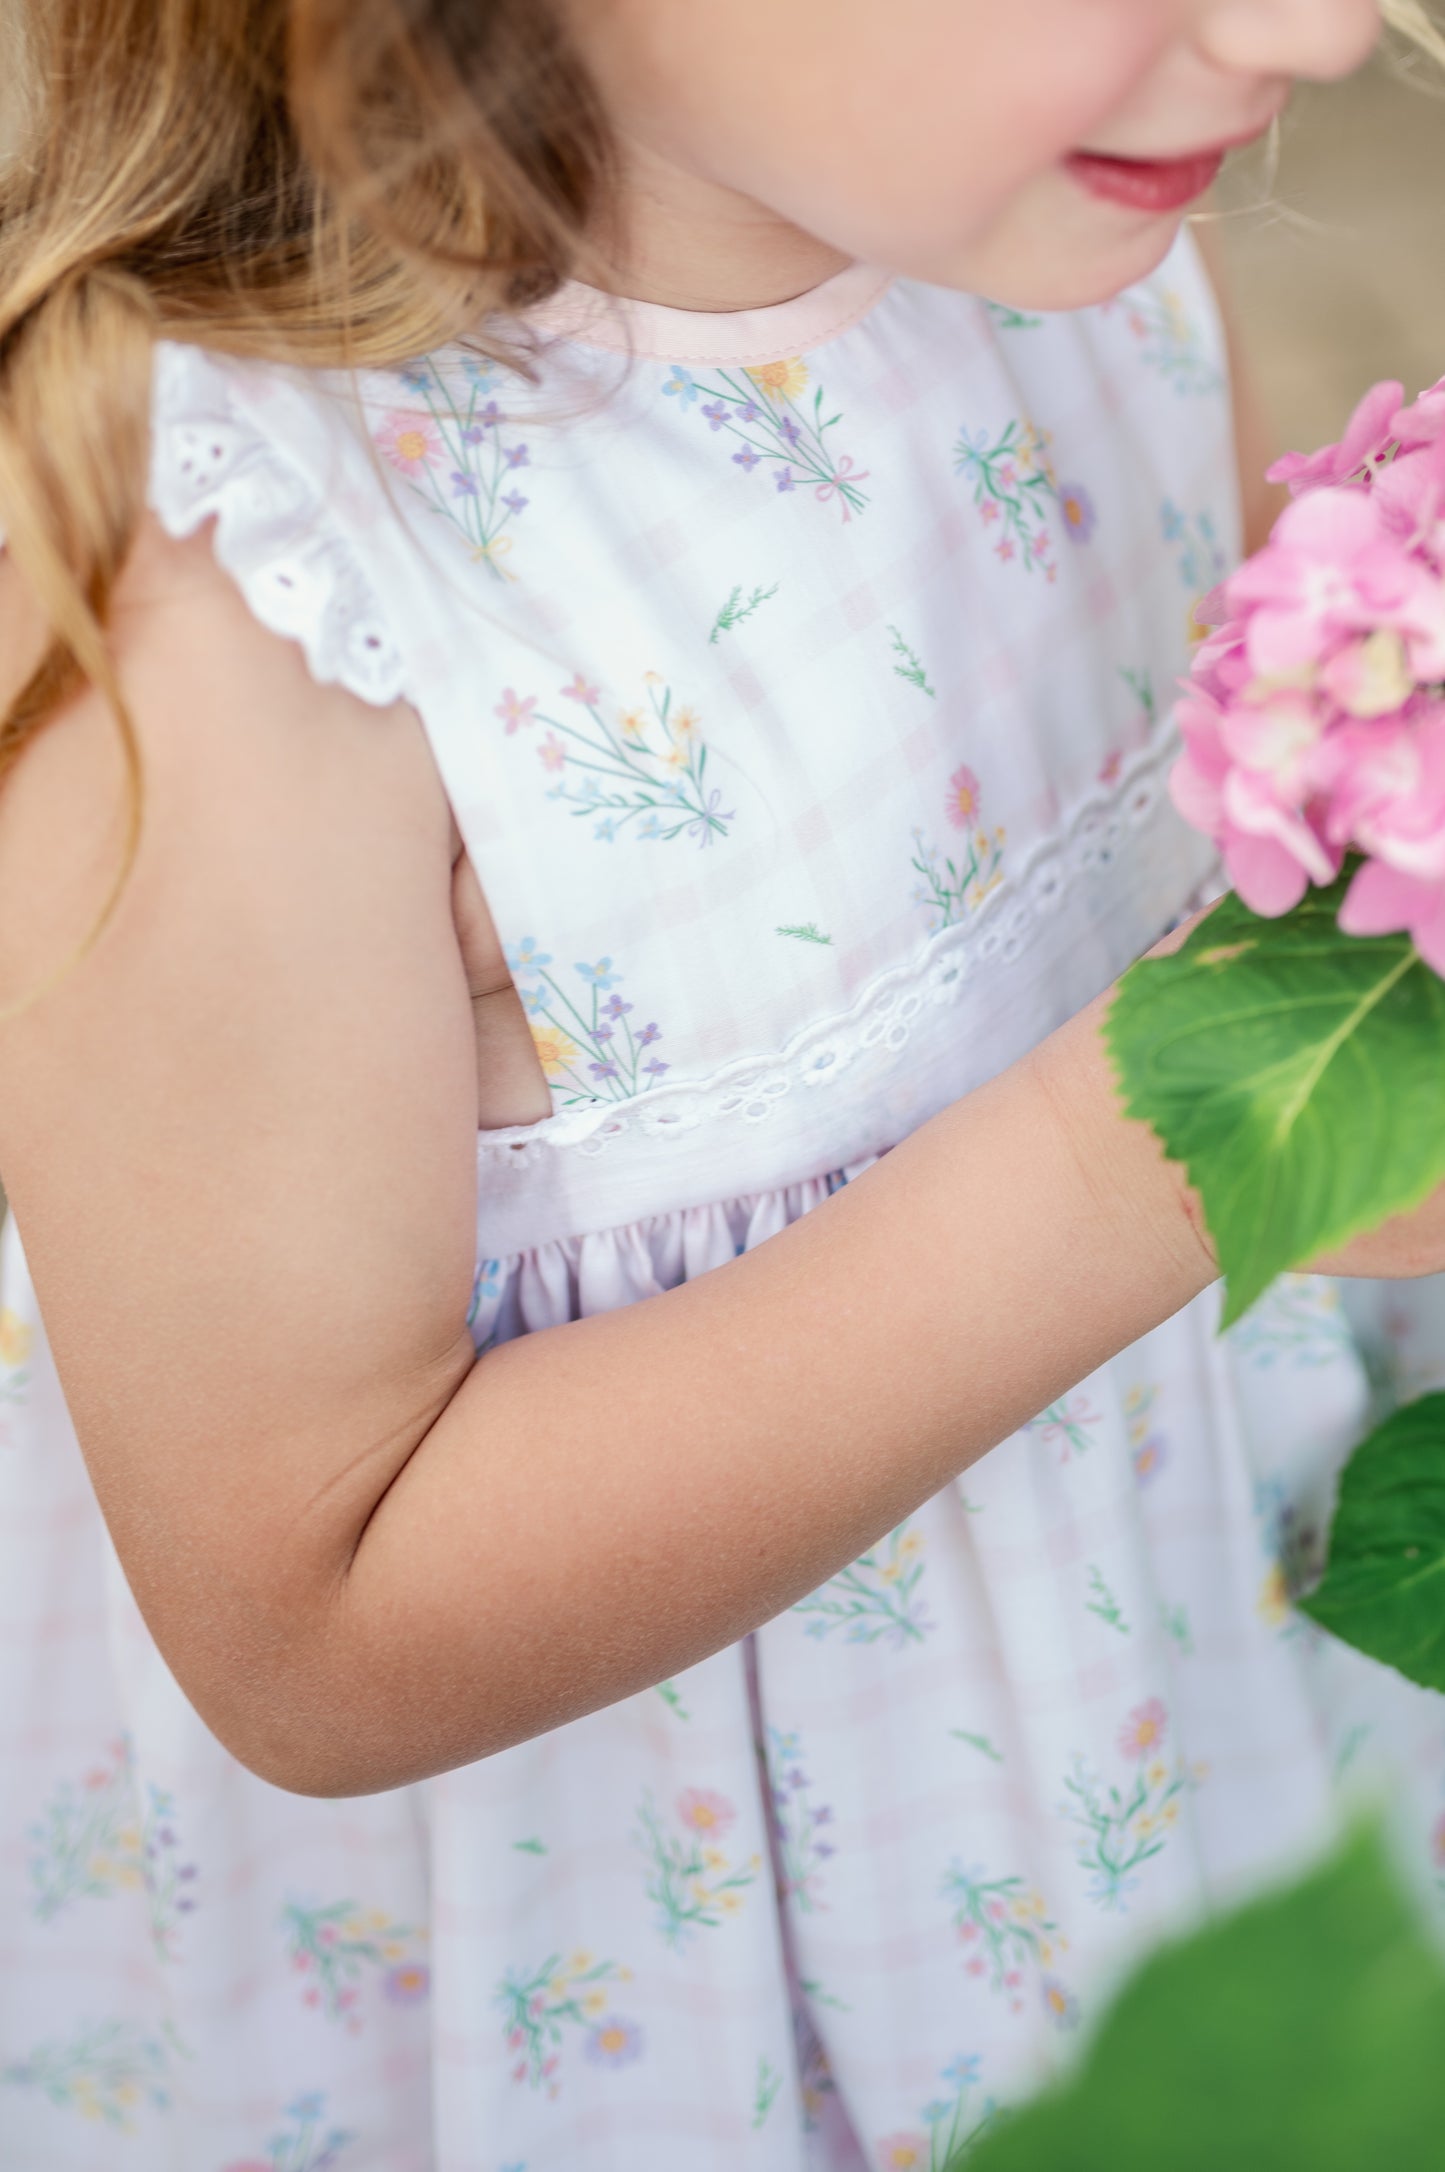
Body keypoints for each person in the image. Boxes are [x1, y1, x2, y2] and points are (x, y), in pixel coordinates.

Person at [1, 0, 1442, 2164]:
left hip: (1163, 1699)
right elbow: (313, 1615)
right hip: (676, 1953)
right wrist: (1184, 1129)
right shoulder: (243, 595)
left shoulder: (1072, 254)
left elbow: (1203, 810)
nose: (1313, 24)